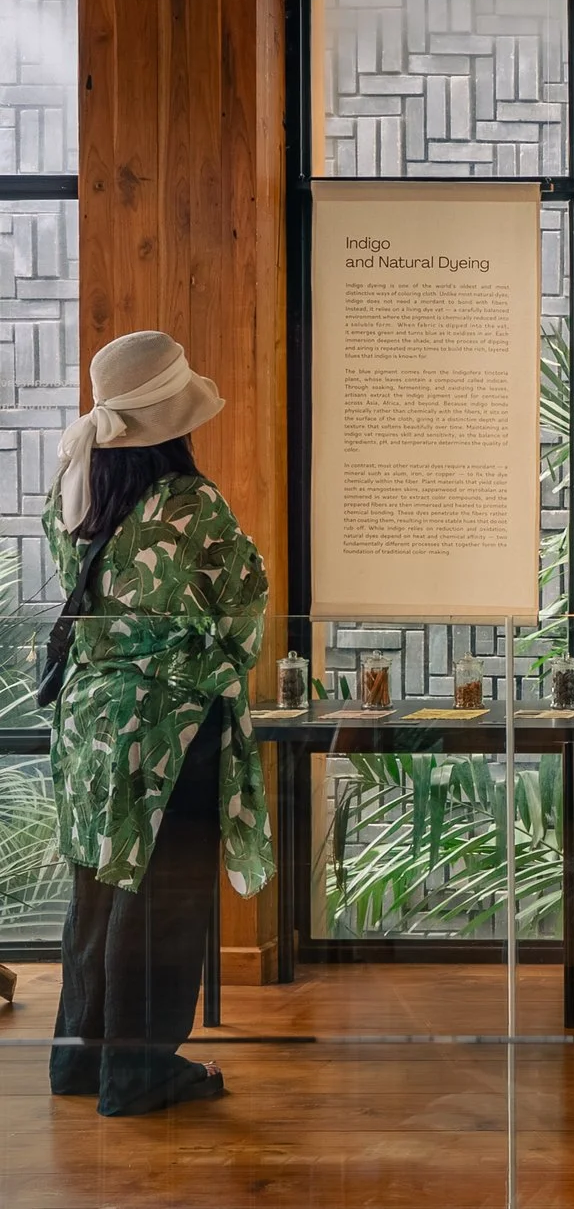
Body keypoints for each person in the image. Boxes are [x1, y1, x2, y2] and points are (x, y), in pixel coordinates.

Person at [43, 331, 271, 1117]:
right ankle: (138, 1074)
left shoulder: (72, 488)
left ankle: (78, 1060)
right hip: (169, 727)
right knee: (161, 899)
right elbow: (243, 607)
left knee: (96, 888)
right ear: (174, 420)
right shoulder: (190, 504)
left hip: (86, 722)